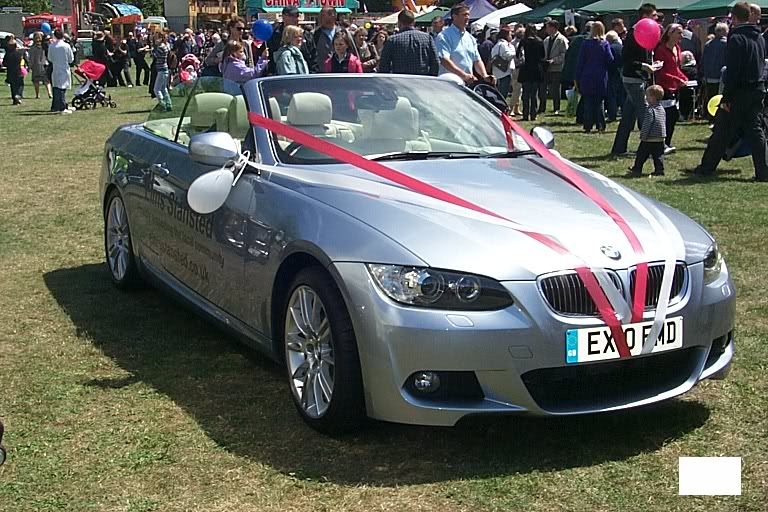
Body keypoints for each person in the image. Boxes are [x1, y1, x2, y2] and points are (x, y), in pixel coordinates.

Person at [693, 2, 768, 181]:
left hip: (739, 91)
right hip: (756, 88)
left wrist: (727, 97)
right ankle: (764, 171)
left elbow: (733, 71)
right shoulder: (759, 37)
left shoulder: (736, 38)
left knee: (722, 129)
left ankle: (707, 167)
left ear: (733, 18)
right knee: (756, 131)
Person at [610, 3, 659, 157]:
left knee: (628, 117)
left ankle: (619, 148)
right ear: (645, 16)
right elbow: (627, 59)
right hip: (633, 79)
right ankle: (651, 150)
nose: (656, 18)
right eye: (653, 15)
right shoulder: (633, 33)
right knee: (645, 114)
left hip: (638, 78)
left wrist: (651, 64)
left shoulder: (646, 31)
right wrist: (644, 66)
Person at [436, 3, 495, 85]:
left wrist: (485, 75)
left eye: (468, 15)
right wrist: (464, 75)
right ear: (454, 16)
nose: (468, 17)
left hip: (467, 84)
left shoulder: (470, 38)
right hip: (449, 84)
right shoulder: (444, 36)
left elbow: (477, 60)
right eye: (464, 15)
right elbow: (444, 60)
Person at [654, 23, 688, 152]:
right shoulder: (661, 49)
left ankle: (666, 143)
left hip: (674, 87)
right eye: (679, 33)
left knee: (672, 116)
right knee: (666, 116)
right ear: (670, 33)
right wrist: (677, 79)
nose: (681, 35)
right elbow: (661, 71)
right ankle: (660, 144)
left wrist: (684, 78)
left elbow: (676, 69)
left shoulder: (678, 48)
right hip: (663, 87)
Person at [576, 21, 614, 133]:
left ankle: (587, 125)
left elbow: (580, 62)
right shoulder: (605, 44)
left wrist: (577, 77)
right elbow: (610, 59)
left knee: (588, 101)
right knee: (599, 102)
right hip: (600, 75)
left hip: (587, 75)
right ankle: (600, 125)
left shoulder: (585, 44)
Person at [378, 9, 438, 76]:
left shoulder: (392, 40)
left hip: (399, 81)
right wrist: (430, 79)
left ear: (399, 23)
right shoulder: (427, 38)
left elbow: (384, 65)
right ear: (414, 22)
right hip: (422, 81)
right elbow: (435, 62)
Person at [627, 85, 666, 177]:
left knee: (641, 154)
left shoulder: (650, 110)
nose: (646, 97)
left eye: (647, 96)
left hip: (649, 138)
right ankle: (659, 170)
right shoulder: (662, 109)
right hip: (660, 137)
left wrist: (643, 135)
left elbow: (647, 124)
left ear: (653, 98)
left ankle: (637, 168)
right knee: (658, 156)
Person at [268, 6, 317, 73]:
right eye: (292, 16)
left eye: (297, 16)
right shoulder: (274, 34)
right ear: (283, 16)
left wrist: (312, 74)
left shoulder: (307, 35)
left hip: (305, 76)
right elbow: (271, 57)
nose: (295, 19)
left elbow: (314, 58)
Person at [701, 23, 728, 121]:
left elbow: (703, 60)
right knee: (720, 97)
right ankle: (718, 116)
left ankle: (710, 116)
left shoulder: (708, 44)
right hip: (721, 75)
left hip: (709, 75)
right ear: (725, 31)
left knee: (710, 97)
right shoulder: (727, 44)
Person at [540, 20, 568, 114]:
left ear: (553, 28)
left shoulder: (562, 39)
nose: (546, 29)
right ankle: (542, 107)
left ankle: (556, 108)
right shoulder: (546, 40)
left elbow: (564, 54)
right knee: (543, 88)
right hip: (546, 67)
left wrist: (554, 60)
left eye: (548, 27)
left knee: (555, 89)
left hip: (557, 68)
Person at [518, 24, 545, 121]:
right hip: (536, 68)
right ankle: (533, 114)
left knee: (525, 93)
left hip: (525, 68)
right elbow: (542, 56)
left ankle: (525, 114)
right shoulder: (539, 41)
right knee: (534, 93)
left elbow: (518, 55)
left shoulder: (523, 41)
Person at [48, 29, 75, 113]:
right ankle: (62, 107)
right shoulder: (66, 46)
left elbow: (50, 58)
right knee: (62, 88)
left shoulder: (51, 46)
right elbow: (71, 59)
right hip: (64, 68)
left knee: (56, 87)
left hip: (55, 68)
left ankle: (55, 106)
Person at [490, 27, 515, 99]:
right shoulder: (504, 44)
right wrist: (515, 53)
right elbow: (508, 55)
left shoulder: (497, 44)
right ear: (506, 35)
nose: (511, 36)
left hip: (497, 71)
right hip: (505, 72)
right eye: (510, 34)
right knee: (503, 94)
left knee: (499, 93)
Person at [606, 30, 624, 122]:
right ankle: (624, 114)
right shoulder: (622, 47)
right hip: (622, 72)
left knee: (611, 95)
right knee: (622, 95)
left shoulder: (610, 48)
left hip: (612, 73)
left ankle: (612, 115)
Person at [152, 32, 172, 111]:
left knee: (156, 89)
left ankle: (162, 104)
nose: (155, 39)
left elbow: (154, 54)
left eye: (157, 38)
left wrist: (154, 47)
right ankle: (168, 104)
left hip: (161, 70)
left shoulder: (161, 47)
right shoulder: (166, 46)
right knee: (163, 88)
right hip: (165, 69)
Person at [29, 32, 52, 99]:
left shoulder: (32, 48)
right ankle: (49, 93)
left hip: (36, 65)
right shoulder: (45, 46)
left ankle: (37, 94)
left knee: (36, 81)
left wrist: (30, 66)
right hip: (44, 64)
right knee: (47, 81)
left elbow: (31, 58)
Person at [3, 36, 26, 105]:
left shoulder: (7, 54)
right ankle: (18, 95)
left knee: (13, 86)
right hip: (19, 71)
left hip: (10, 72)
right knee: (20, 85)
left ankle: (14, 99)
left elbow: (4, 63)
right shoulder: (19, 54)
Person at [509, 25, 525, 116]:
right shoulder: (516, 43)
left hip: (518, 68)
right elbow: (519, 56)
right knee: (517, 89)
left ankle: (516, 107)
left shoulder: (514, 42)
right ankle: (511, 108)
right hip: (517, 68)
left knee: (519, 89)